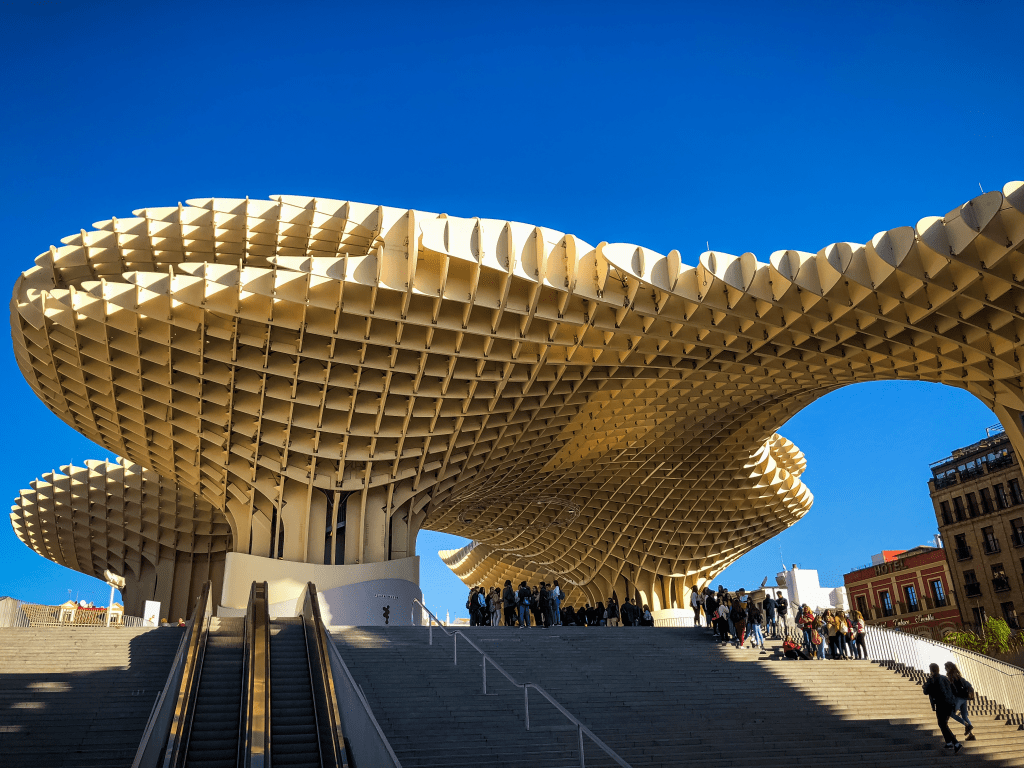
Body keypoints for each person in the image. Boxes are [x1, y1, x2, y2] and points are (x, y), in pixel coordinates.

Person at [923, 662, 963, 753]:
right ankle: (949, 743)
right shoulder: (944, 678)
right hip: (950, 704)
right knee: (943, 724)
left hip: (941, 704)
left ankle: (956, 743)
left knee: (942, 724)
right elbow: (953, 690)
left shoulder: (932, 680)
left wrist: (925, 686)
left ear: (931, 670)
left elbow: (926, 691)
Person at [945, 662, 975, 740]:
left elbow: (951, 689)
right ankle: (971, 735)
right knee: (964, 716)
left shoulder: (950, 677)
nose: (945, 669)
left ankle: (967, 725)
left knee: (951, 713)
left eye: (946, 668)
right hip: (964, 698)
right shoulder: (958, 676)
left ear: (948, 668)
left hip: (958, 699)